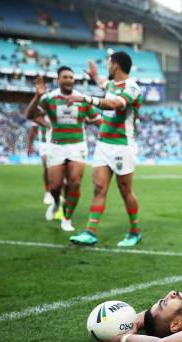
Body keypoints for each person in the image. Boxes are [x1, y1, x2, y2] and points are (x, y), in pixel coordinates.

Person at [67, 52, 142, 247]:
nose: (107, 67)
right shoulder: (111, 85)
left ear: (115, 66)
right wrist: (94, 76)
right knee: (99, 188)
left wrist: (83, 98)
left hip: (122, 146)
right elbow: (103, 83)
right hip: (103, 144)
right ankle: (90, 232)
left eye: (109, 64)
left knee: (125, 190)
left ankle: (134, 231)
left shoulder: (132, 87)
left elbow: (114, 104)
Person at [25, 67, 101, 231]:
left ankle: (67, 218)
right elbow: (29, 115)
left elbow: (98, 121)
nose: (69, 80)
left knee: (75, 182)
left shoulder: (82, 99)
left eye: (71, 77)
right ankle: (56, 203)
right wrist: (37, 96)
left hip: (77, 146)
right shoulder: (49, 98)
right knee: (55, 187)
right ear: (58, 80)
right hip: (56, 146)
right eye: (65, 77)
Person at [27, 113, 53, 205]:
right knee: (46, 165)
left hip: (59, 142)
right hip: (45, 143)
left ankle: (57, 190)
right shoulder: (40, 112)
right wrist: (30, 145)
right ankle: (48, 192)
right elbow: (33, 130)